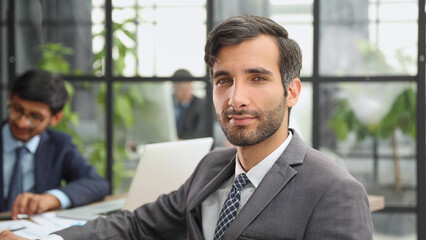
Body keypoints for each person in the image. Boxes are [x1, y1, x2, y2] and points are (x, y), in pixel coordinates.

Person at [1, 15, 373, 240]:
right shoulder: (211, 168)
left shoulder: (334, 191)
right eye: (223, 80)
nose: (236, 98)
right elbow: (136, 228)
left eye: (257, 78)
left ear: (291, 91)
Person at [0, 69, 109, 220]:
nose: (21, 123)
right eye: (16, 109)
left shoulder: (60, 144)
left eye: (35, 117)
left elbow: (97, 183)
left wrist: (50, 199)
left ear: (55, 118)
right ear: (11, 98)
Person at [172, 69, 208, 139]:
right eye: (180, 89)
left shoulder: (201, 105)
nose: (185, 92)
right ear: (173, 87)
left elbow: (201, 132)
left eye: (187, 88)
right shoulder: (168, 104)